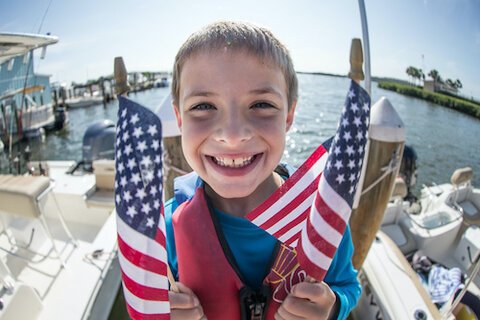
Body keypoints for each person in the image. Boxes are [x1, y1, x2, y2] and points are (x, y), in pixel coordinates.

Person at [164, 20, 361, 320]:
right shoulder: (164, 229)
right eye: (203, 106)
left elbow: (347, 285)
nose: (232, 135)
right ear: (179, 118)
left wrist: (332, 306)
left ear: (289, 116)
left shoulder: (323, 214)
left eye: (260, 104)